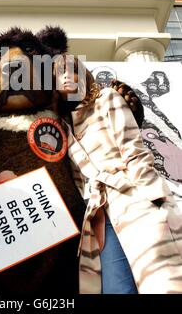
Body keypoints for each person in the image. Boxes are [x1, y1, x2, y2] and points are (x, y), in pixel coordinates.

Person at [54, 54, 182, 294]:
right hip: (97, 212)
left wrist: (157, 198)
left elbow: (133, 148)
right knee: (115, 288)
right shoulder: (62, 127)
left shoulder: (106, 98)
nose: (67, 77)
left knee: (161, 281)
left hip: (134, 197)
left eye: (72, 70)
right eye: (59, 74)